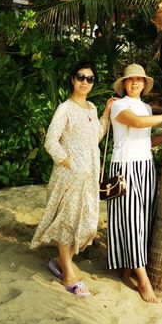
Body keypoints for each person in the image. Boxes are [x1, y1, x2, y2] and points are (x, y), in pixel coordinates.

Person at [30, 60, 113, 296]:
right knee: (67, 222)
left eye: (90, 78)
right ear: (72, 79)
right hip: (68, 177)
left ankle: (58, 260)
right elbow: (50, 142)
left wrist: (106, 113)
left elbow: (94, 137)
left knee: (85, 223)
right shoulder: (65, 109)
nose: (85, 82)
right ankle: (67, 272)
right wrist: (69, 163)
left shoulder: (92, 109)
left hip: (88, 178)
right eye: (81, 77)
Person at [107, 63, 162, 303]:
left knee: (144, 219)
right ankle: (144, 281)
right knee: (132, 220)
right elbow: (134, 123)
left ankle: (128, 269)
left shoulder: (145, 107)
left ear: (145, 84)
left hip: (145, 166)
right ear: (124, 84)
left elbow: (145, 139)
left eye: (140, 80)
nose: (135, 83)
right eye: (131, 79)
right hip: (125, 167)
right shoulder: (118, 105)